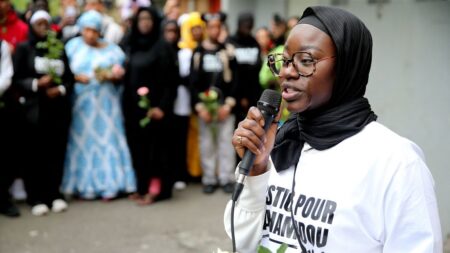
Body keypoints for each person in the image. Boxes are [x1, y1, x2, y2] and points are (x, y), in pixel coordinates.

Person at [224, 6, 442, 253]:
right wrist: (256, 170)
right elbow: (240, 243)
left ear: (347, 67)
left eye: (305, 61)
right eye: (284, 61)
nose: (286, 72)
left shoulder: (397, 163)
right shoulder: (278, 143)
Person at [62, 10, 136, 200]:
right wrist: (78, 78)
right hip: (82, 105)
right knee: (83, 142)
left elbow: (121, 72)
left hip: (106, 105)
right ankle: (81, 184)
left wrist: (113, 75)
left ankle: (113, 183)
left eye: (95, 30)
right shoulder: (72, 47)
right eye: (87, 30)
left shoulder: (112, 50)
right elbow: (65, 73)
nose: (91, 34)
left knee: (108, 140)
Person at [11, 10, 74, 216]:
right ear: (31, 26)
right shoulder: (24, 49)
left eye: (46, 24)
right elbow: (16, 78)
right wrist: (36, 84)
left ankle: (54, 194)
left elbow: (69, 78)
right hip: (33, 111)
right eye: (38, 24)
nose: (43, 28)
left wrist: (60, 89)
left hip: (57, 110)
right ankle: (35, 196)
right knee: (34, 154)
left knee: (55, 152)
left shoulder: (58, 48)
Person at [121, 7, 177, 205]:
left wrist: (162, 107)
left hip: (156, 110)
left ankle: (156, 189)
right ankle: (142, 186)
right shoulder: (130, 45)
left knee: (156, 151)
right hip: (134, 109)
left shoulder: (163, 47)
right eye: (141, 18)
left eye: (148, 19)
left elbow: (171, 82)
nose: (145, 22)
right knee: (139, 149)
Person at [190, 12, 236, 194]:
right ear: (206, 29)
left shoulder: (228, 51)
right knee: (207, 143)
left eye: (218, 27)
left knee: (226, 143)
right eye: (211, 27)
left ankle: (226, 178)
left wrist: (228, 106)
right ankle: (209, 178)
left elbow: (235, 81)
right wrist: (200, 108)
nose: (214, 30)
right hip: (205, 108)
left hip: (224, 107)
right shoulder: (198, 53)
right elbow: (192, 83)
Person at [227, 12, 262, 127]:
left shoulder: (254, 42)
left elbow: (257, 67)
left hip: (253, 94)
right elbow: (231, 70)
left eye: (250, 25)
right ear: (239, 24)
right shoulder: (230, 41)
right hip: (234, 95)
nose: (248, 27)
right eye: (245, 24)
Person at [0, 39, 18, 217]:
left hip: (2, 105)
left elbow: (6, 74)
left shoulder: (2, 45)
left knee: (3, 156)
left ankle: (3, 199)